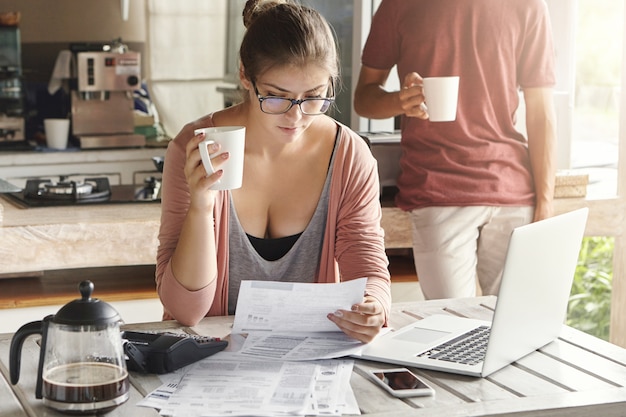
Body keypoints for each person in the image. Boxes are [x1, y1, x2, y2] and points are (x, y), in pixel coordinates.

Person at [156, 0, 391, 343]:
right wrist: (201, 206)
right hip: (207, 363)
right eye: (277, 97)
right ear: (245, 76)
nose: (295, 117)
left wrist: (373, 307)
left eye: (314, 97)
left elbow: (367, 264)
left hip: (306, 360)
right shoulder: (194, 148)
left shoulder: (349, 155)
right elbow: (186, 312)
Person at [354, 0, 557, 299]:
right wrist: (402, 101)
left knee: (519, 326)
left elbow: (542, 112)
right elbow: (364, 98)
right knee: (453, 329)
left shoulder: (529, 5)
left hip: (514, 191)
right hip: (438, 190)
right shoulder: (398, 5)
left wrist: (546, 204)